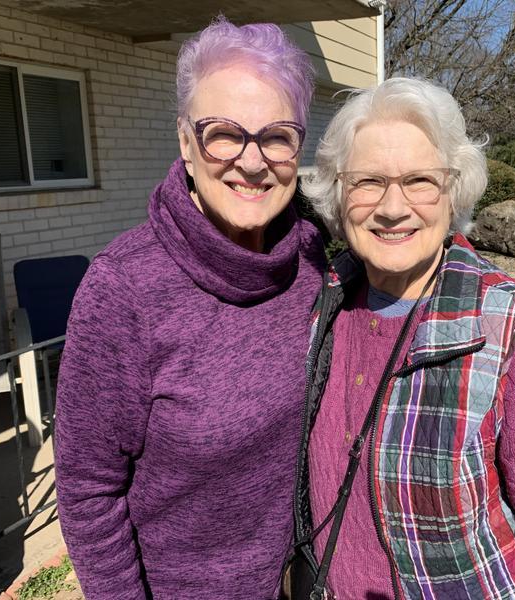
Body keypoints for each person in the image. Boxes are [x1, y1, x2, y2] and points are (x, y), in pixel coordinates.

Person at [292, 78, 515, 599]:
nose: (392, 207)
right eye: (367, 181)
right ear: (338, 194)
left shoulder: (514, 331)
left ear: (453, 190)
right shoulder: (324, 302)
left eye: (419, 181)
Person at [54, 18, 324, 599]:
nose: (252, 162)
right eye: (223, 133)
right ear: (185, 141)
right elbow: (87, 491)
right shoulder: (124, 289)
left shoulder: (312, 263)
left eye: (276, 136)